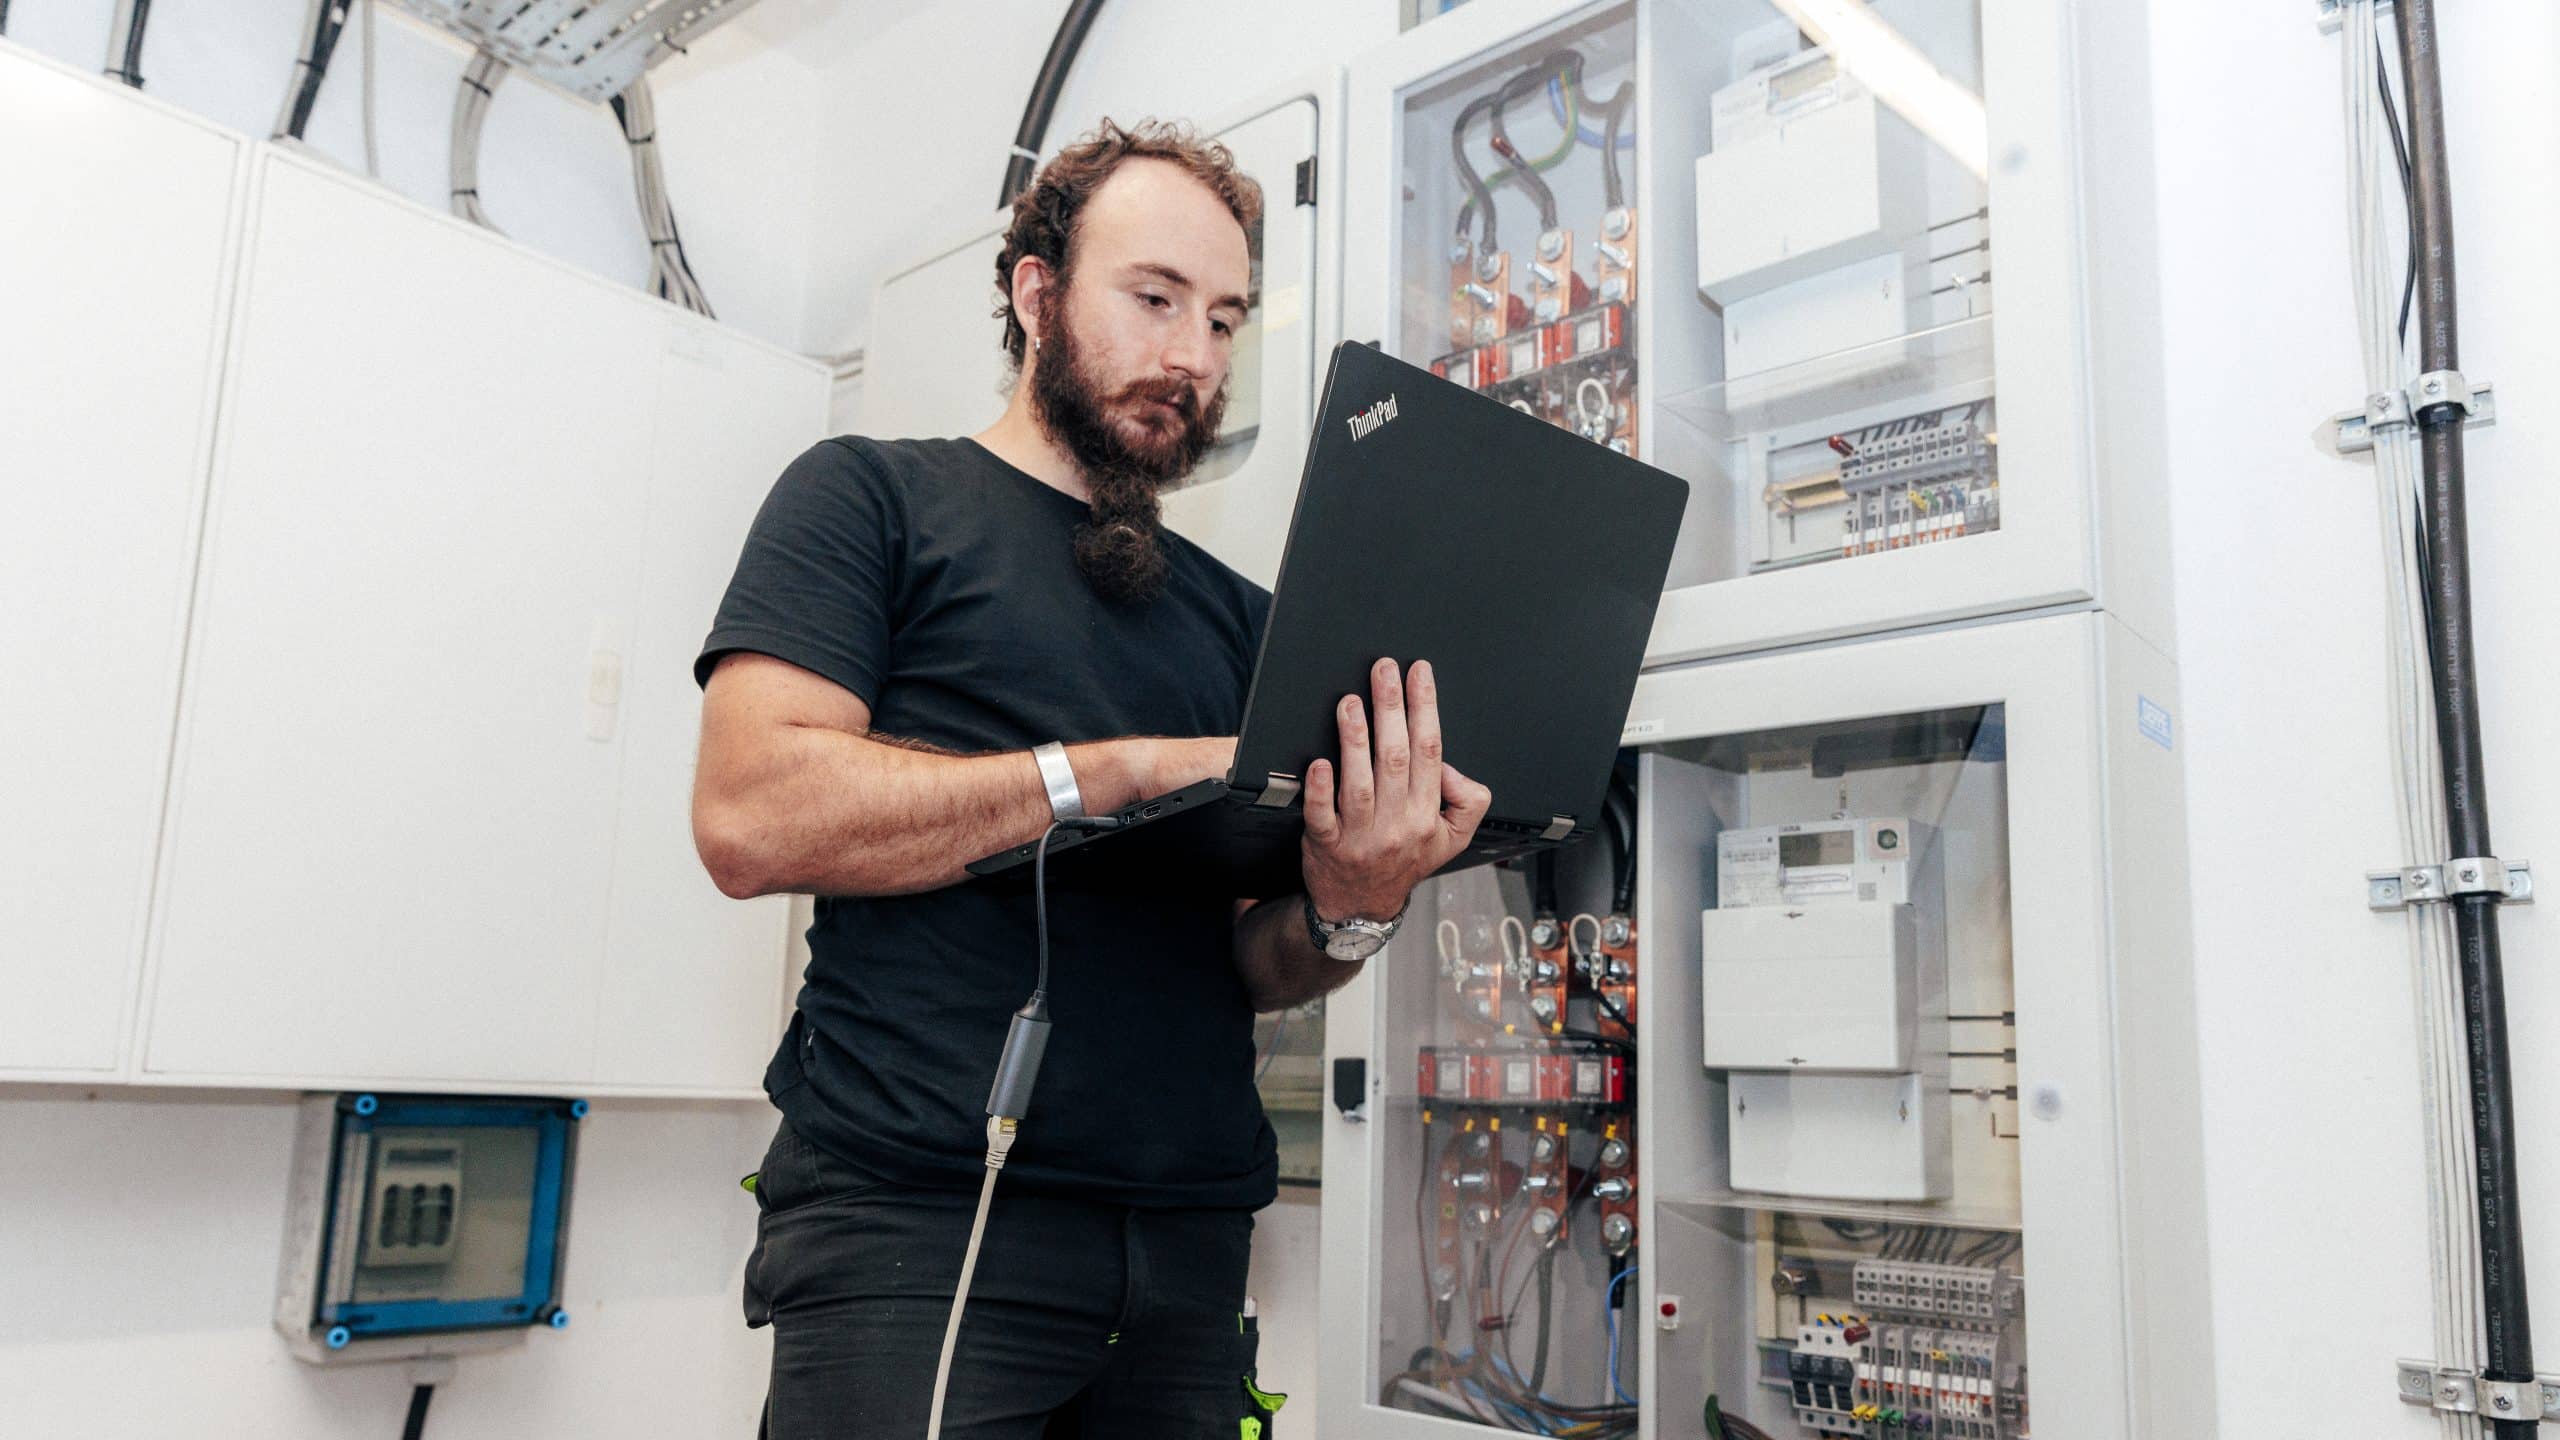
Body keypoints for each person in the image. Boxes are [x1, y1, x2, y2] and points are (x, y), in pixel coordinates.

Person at [689, 118, 1494, 1438]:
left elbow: (1253, 959)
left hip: (1186, 1253)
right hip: (924, 1233)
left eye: (1227, 320)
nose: (1193, 356)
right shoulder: (872, 504)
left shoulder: (1243, 624)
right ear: (1037, 292)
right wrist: (1113, 772)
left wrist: (1354, 902)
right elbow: (749, 817)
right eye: (1156, 298)